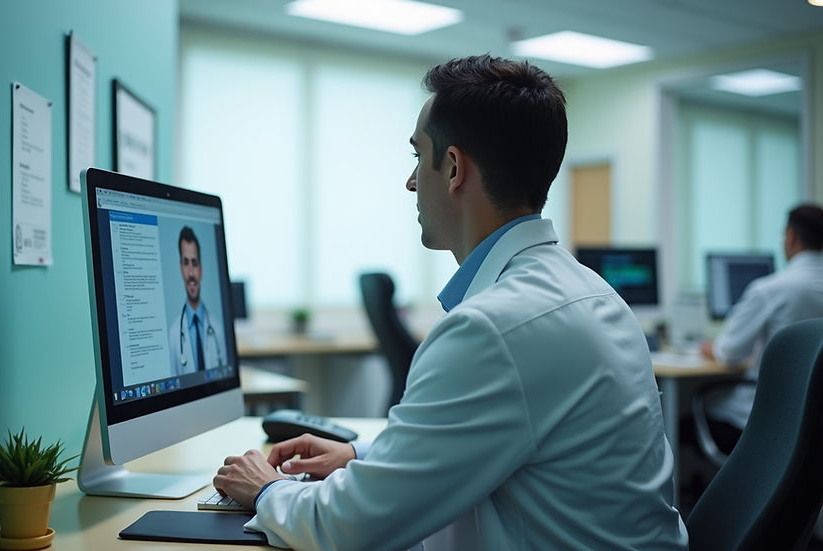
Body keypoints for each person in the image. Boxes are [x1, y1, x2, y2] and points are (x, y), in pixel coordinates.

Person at [213, 55, 688, 550]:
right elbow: (506, 434)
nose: (412, 181)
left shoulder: (494, 329)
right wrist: (360, 454)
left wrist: (267, 489)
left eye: (419, 156)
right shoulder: (589, 291)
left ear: (455, 168)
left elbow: (349, 529)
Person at [698, 204, 823, 454]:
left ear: (790, 236)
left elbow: (732, 353)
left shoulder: (770, 289)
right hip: (814, 417)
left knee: (699, 406)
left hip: (770, 415)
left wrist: (714, 347)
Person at [168, 225, 224, 376]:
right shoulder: (174, 335)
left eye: (194, 263)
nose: (191, 273)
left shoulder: (217, 329)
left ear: (201, 269)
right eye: (186, 263)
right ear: (181, 268)